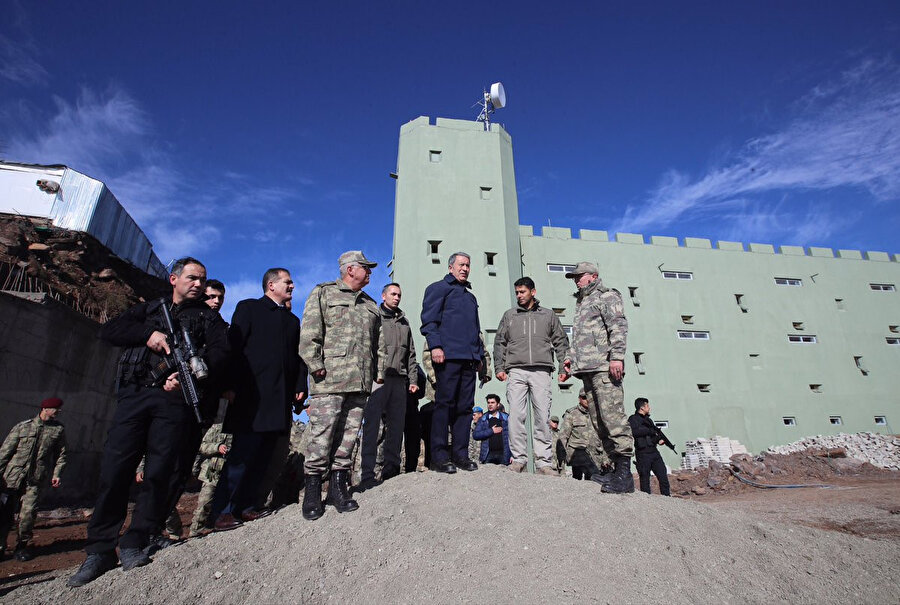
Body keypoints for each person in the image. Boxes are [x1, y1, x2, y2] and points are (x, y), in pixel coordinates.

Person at [68, 257, 229, 587]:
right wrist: (148, 335)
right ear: (174, 278)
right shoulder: (151, 309)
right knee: (115, 470)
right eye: (192, 278)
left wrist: (188, 380)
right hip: (135, 396)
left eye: (203, 279)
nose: (198, 284)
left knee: (158, 473)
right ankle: (99, 550)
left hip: (173, 401)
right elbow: (110, 331)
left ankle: (135, 540)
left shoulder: (209, 318)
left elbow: (221, 355)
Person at [211, 268, 308, 531]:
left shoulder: (291, 322)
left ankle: (247, 506)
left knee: (263, 457)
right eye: (287, 282)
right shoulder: (249, 308)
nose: (292, 286)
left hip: (279, 401)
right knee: (242, 456)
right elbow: (235, 347)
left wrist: (301, 386)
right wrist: (229, 384)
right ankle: (223, 511)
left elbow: (297, 359)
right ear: (271, 284)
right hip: (250, 398)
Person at [299, 251, 386, 520]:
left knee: (349, 437)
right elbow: (310, 332)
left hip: (359, 381)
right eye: (365, 267)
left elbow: (378, 343)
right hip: (330, 379)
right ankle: (312, 490)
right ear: (350, 270)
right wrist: (315, 366)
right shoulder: (324, 293)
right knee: (322, 435)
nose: (370, 271)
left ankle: (339, 488)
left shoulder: (371, 304)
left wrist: (378, 372)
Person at [563, 261, 634, 494]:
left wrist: (617, 357)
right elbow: (580, 338)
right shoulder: (581, 302)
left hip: (604, 367)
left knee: (613, 419)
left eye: (579, 276)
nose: (576, 280)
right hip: (587, 369)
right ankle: (615, 470)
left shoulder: (607, 296)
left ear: (593, 276)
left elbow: (618, 326)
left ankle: (625, 474)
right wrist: (570, 360)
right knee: (599, 422)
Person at [493, 276, 569, 475]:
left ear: (533, 292)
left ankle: (544, 463)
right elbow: (500, 342)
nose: (518, 296)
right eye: (517, 292)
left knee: (542, 417)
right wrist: (499, 367)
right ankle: (518, 460)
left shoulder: (548, 315)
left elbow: (561, 341)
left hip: (541, 370)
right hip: (516, 370)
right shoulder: (509, 316)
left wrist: (563, 368)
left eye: (522, 292)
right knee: (516, 416)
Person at [420, 252, 484, 474]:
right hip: (447, 357)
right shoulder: (438, 289)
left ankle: (461, 455)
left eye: (468, 265)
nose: (465, 268)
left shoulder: (470, 297)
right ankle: (438, 456)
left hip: (469, 360)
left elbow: (476, 331)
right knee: (443, 406)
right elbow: (429, 321)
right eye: (461, 265)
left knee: (465, 408)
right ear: (450, 267)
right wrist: (435, 346)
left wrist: (480, 358)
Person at [358, 283, 418, 491]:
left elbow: (411, 354)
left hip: (399, 381)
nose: (397, 297)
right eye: (393, 294)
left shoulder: (404, 323)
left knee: (396, 427)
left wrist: (413, 380)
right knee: (372, 427)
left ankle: (391, 470)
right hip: (378, 379)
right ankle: (367, 473)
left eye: (399, 294)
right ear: (383, 296)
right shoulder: (375, 317)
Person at [0, 397, 67, 561]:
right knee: (4, 513)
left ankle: (21, 546)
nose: (58, 411)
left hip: (35, 479)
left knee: (28, 514)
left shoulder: (58, 430)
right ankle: (1, 546)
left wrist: (57, 473)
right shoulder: (23, 427)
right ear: (45, 409)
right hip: (12, 478)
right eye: (56, 408)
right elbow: (5, 452)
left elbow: (61, 455)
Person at [188, 407, 232, 536]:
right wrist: (217, 447)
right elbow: (202, 446)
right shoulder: (217, 426)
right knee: (205, 501)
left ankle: (217, 525)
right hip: (213, 469)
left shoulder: (241, 428)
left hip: (230, 470)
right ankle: (196, 530)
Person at [558, 389, 605, 480]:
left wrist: (606, 457)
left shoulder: (598, 414)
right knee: (579, 480)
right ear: (579, 399)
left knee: (593, 481)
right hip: (578, 455)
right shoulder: (572, 414)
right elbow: (563, 436)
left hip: (595, 455)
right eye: (584, 398)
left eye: (589, 397)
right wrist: (561, 459)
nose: (587, 400)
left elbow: (604, 436)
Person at [629, 398, 672, 496]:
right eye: (647, 406)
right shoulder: (633, 419)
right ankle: (646, 501)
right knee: (645, 479)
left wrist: (659, 440)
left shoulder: (649, 420)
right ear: (642, 408)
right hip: (643, 453)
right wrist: (649, 431)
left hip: (654, 452)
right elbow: (634, 432)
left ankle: (667, 498)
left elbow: (653, 435)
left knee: (663, 476)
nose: (649, 408)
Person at [472, 395, 510, 465]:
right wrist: (491, 431)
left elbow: (513, 436)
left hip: (504, 455)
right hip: (488, 455)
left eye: (492, 402)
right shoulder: (483, 419)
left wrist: (513, 455)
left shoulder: (506, 418)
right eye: (488, 403)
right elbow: (475, 435)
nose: (490, 405)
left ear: (498, 404)